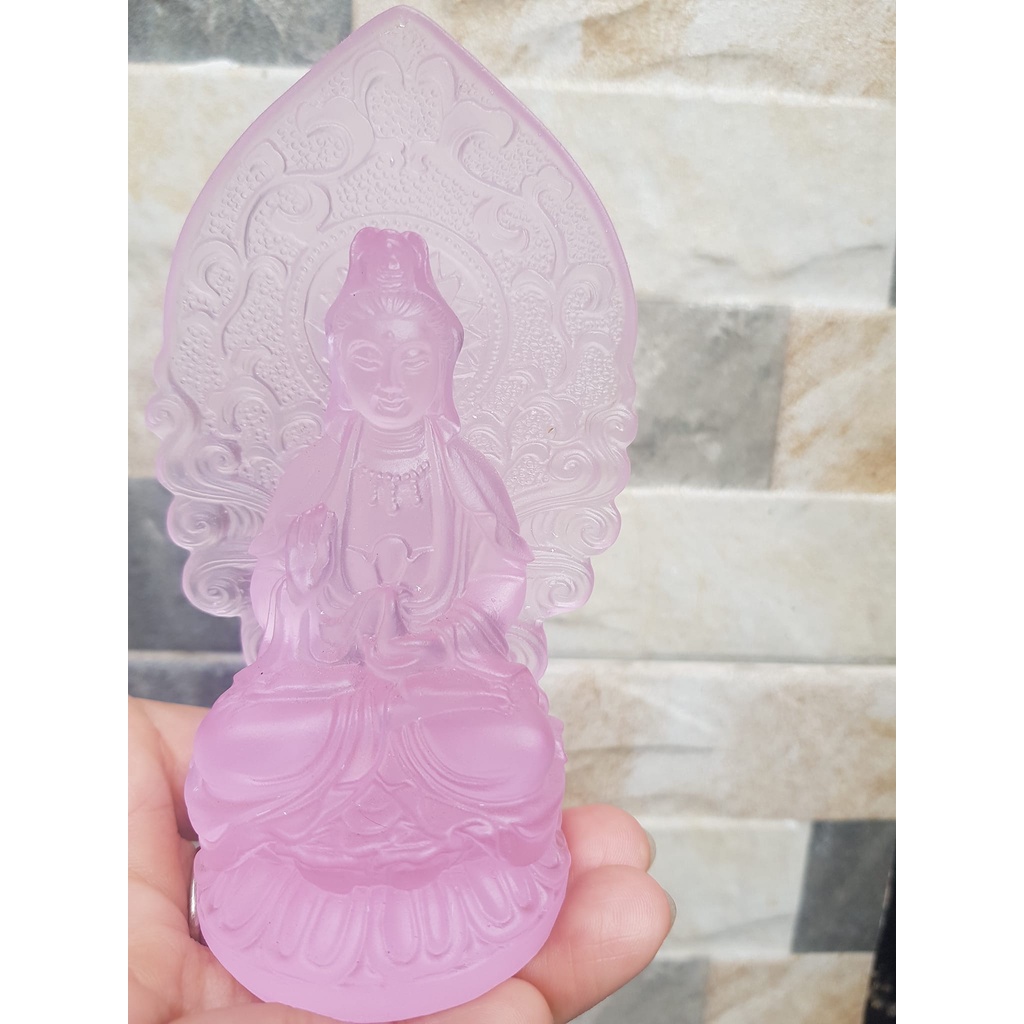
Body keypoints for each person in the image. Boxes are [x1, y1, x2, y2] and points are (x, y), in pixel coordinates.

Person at [128, 695, 675, 1023]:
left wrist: (423, 662)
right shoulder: (301, 543)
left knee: (522, 742)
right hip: (324, 713)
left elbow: (484, 620)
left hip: (436, 711)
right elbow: (286, 636)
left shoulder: (460, 537)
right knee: (226, 745)